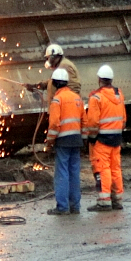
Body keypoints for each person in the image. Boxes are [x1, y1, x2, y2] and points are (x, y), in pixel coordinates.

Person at [84, 64, 126, 211]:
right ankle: (117, 199)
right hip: (116, 138)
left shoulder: (96, 97)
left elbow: (93, 122)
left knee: (102, 168)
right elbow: (123, 119)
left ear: (99, 79)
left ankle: (104, 200)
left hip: (102, 139)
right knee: (115, 168)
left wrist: (91, 138)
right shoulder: (118, 94)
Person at [44, 68, 85, 216]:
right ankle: (75, 206)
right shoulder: (76, 98)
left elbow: (54, 124)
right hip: (76, 140)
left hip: (63, 141)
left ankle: (62, 207)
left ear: (54, 84)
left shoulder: (57, 100)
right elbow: (83, 120)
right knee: (74, 173)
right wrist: (84, 139)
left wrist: (49, 142)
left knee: (62, 173)